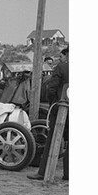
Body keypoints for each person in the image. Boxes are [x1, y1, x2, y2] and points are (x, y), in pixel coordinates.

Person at [28, 44, 69, 181]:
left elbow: (51, 89)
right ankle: (68, 173)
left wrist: (53, 103)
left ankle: (43, 171)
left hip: (59, 108)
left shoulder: (61, 68)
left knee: (51, 139)